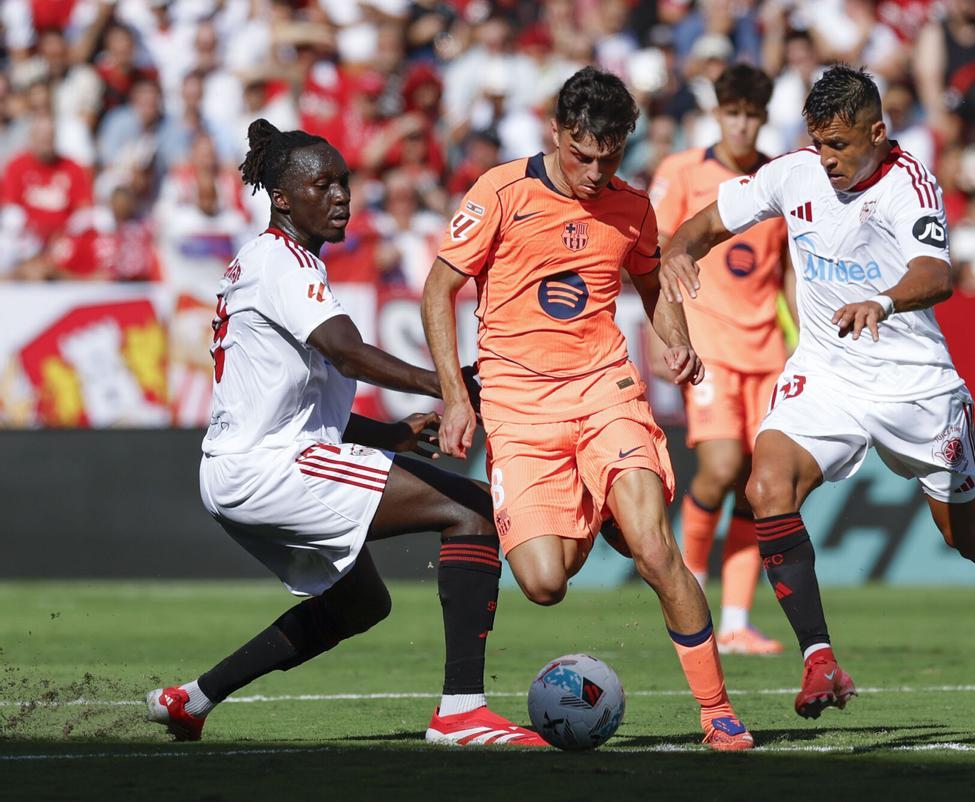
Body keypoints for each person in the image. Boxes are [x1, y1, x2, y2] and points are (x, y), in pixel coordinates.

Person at [660, 65, 975, 720]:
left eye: (840, 146)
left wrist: (882, 299)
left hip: (914, 381)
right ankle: (819, 659)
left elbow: (938, 273)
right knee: (766, 486)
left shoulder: (910, 183)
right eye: (819, 143)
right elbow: (700, 226)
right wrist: (679, 249)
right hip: (827, 370)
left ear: (877, 133)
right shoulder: (793, 173)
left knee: (967, 538)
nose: (826, 160)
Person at [145, 119, 548, 748]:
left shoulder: (269, 263)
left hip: (253, 463)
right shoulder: (282, 263)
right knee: (470, 510)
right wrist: (449, 384)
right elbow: (349, 353)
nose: (340, 196)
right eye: (322, 185)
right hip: (271, 468)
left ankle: (190, 701)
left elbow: (300, 401)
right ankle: (462, 712)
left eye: (345, 183)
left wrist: (389, 435)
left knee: (363, 604)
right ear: (282, 197)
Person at [421, 67, 754, 751]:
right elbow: (438, 289)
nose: (596, 171)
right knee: (545, 583)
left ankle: (718, 712)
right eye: (583, 155)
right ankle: (599, 506)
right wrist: (457, 395)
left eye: (611, 156)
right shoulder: (502, 192)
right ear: (556, 133)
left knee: (655, 551)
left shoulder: (631, 207)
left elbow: (653, 283)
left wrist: (677, 344)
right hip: (519, 410)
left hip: (607, 394)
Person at [648, 64, 791, 656]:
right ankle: (691, 592)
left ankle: (735, 621)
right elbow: (652, 257)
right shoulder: (681, 171)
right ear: (718, 114)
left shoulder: (779, 180)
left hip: (769, 354)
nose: (742, 124)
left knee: (761, 485)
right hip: (707, 348)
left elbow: (787, 276)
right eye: (733, 112)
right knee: (720, 466)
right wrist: (662, 339)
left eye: (752, 114)